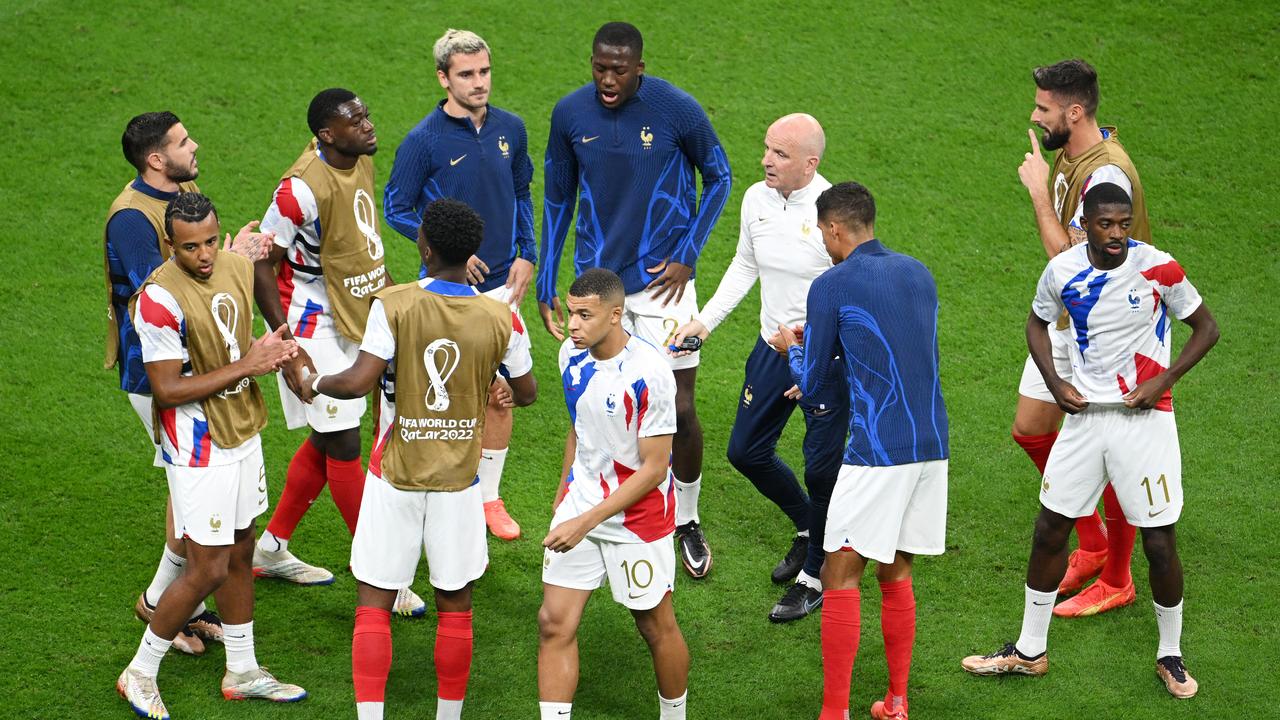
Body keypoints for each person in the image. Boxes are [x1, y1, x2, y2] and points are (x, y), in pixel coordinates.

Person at [962, 182, 1218, 700]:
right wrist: (1056, 385)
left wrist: (1162, 381)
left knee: (1160, 541)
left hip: (1143, 422)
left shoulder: (1158, 267)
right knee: (1050, 529)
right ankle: (1029, 650)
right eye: (1106, 224)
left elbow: (1206, 328)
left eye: (1125, 223)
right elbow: (1036, 324)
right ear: (1087, 223)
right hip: (1083, 424)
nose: (1118, 234)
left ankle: (1170, 654)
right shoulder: (1063, 270)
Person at [298, 199, 536, 720]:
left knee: (374, 603)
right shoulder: (503, 318)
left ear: (424, 247)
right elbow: (528, 390)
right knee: (456, 607)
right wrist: (491, 380)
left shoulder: (394, 304)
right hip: (461, 480)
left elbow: (359, 381)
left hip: (394, 476)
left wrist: (311, 381)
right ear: (472, 254)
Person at [537, 21, 731, 578]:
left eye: (619, 69)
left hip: (664, 290)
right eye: (599, 67)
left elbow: (719, 176)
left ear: (639, 68)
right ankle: (593, 501)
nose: (607, 78)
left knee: (682, 407)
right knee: (592, 401)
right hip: (598, 286)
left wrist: (689, 253)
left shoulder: (677, 109)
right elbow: (557, 197)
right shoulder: (570, 114)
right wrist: (551, 276)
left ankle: (686, 519)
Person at [118, 192, 307, 719]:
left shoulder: (232, 263)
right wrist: (250, 363)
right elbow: (168, 390)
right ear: (169, 245)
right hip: (198, 446)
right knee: (207, 570)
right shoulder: (157, 301)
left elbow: (235, 316)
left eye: (209, 242)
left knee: (243, 546)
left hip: (242, 429)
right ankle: (139, 672)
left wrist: (272, 350)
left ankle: (243, 671)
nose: (204, 255)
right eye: (189, 247)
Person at [773, 182, 948, 720]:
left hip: (877, 451)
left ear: (834, 229)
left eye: (824, 235)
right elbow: (895, 352)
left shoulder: (831, 284)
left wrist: (795, 349)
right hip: (932, 445)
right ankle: (896, 702)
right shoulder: (919, 272)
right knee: (895, 570)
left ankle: (834, 713)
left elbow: (819, 388)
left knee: (838, 574)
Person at [670, 113, 845, 622]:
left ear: (810, 164)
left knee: (821, 469)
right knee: (745, 451)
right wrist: (704, 323)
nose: (766, 160)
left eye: (781, 154)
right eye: (767, 149)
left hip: (821, 357)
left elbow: (852, 293)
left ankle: (816, 577)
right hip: (773, 351)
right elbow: (746, 264)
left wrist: (812, 339)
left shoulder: (833, 212)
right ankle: (810, 527)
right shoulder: (756, 199)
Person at [105, 111, 268, 656]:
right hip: (159, 378)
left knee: (204, 526)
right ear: (156, 159)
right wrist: (231, 264)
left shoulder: (184, 192)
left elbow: (209, 274)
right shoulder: (131, 221)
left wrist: (233, 257)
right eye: (181, 141)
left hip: (209, 372)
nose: (193, 145)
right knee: (196, 524)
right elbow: (164, 300)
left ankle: (182, 605)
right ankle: (161, 606)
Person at [251, 89, 419, 611]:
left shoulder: (360, 160)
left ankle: (272, 546)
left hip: (359, 311)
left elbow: (365, 248)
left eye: (367, 113)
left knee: (329, 437)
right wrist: (287, 343)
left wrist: (395, 304)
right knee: (344, 441)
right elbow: (262, 263)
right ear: (327, 134)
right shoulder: (297, 190)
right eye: (356, 119)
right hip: (313, 322)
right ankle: (379, 570)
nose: (369, 125)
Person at [383, 28, 536, 541]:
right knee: (439, 393)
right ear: (443, 78)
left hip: (502, 289)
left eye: (484, 72)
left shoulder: (511, 129)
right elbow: (395, 208)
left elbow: (522, 193)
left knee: (502, 393)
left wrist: (527, 254)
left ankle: (488, 498)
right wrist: (447, 251)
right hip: (444, 290)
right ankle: (422, 491)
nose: (479, 83)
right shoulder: (423, 140)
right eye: (466, 74)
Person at [1012, 59, 1152, 616]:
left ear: (1074, 112)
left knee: (1114, 458)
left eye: (1044, 109)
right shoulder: (1076, 153)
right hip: (1072, 321)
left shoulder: (1106, 177)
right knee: (1030, 429)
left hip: (1112, 335)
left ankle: (1118, 578)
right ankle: (1091, 544)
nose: (1035, 116)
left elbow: (1070, 260)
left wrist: (1038, 194)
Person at [538, 268, 689, 720]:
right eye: (570, 313)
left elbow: (654, 469)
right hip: (580, 507)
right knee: (553, 623)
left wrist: (583, 522)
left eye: (585, 315)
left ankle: (674, 715)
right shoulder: (570, 354)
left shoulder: (651, 374)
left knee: (654, 626)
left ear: (616, 315)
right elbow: (579, 424)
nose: (573, 325)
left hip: (637, 522)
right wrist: (566, 490)